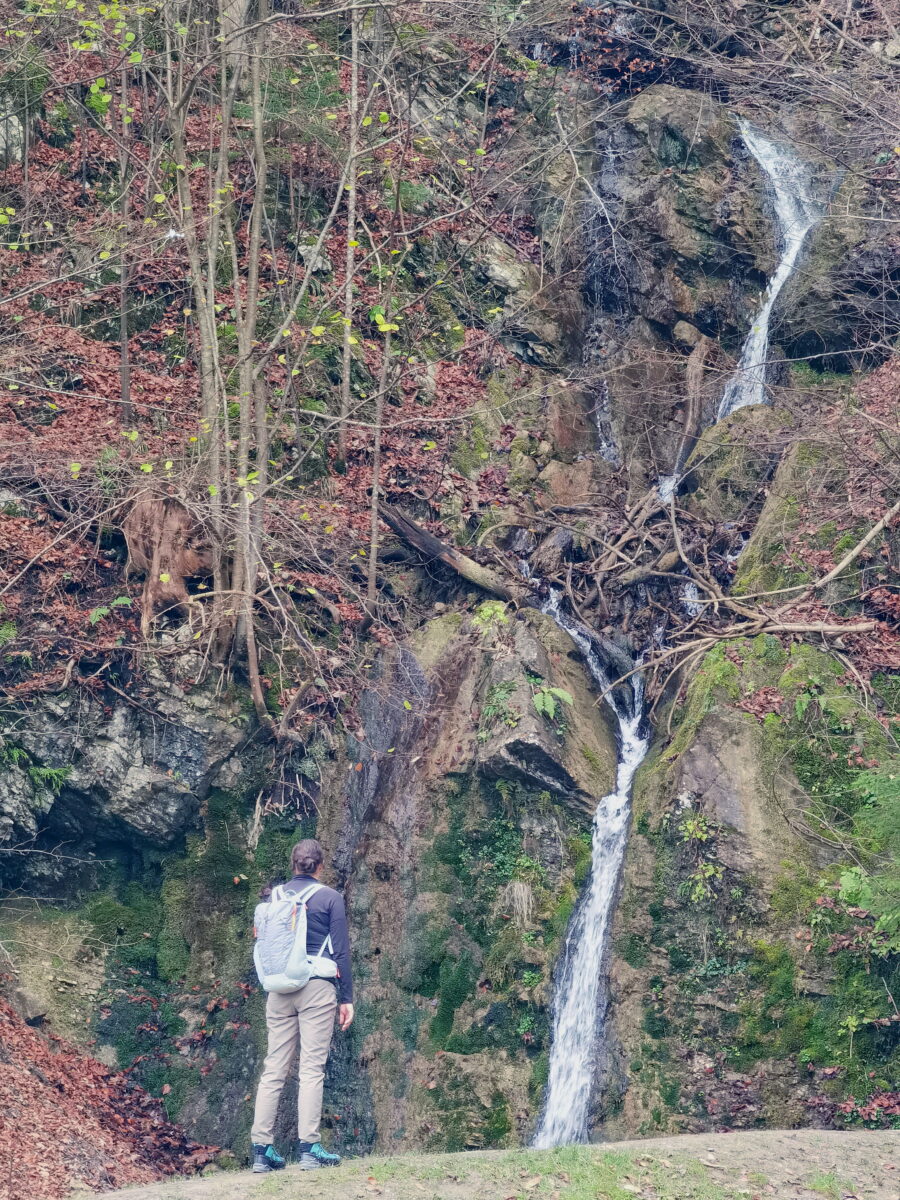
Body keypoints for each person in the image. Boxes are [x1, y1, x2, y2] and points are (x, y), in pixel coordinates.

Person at [250, 838, 354, 1173]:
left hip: (278, 988)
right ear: (320, 866)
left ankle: (261, 1151)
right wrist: (347, 997)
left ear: (293, 864)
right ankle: (309, 1148)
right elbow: (341, 952)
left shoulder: (273, 896)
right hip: (316, 988)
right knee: (311, 1068)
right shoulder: (330, 898)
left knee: (274, 1067)